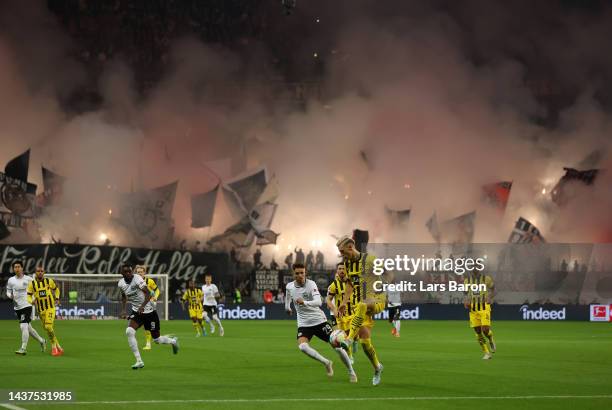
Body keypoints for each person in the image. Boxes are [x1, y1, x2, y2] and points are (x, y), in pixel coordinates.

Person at [285, 263, 357, 383]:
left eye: (302, 273)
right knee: (303, 347)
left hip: (319, 321)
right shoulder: (289, 286)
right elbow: (288, 297)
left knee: (337, 346)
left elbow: (318, 301)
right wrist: (288, 308)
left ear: (305, 273)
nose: (300, 275)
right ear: (293, 274)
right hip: (304, 323)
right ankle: (326, 362)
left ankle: (351, 371)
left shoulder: (311, 284)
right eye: (297, 273)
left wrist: (305, 303)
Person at [336, 235, 385, 386]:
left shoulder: (370, 260)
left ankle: (349, 340)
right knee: (365, 342)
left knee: (363, 304)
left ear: (350, 247)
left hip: (377, 299)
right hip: (361, 305)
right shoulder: (349, 264)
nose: (342, 255)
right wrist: (343, 303)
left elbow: (388, 274)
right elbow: (350, 284)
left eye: (343, 252)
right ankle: (377, 367)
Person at [118, 265, 178, 369]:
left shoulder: (137, 279)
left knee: (157, 339)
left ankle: (173, 341)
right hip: (137, 312)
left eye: (129, 271)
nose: (128, 273)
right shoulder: (121, 283)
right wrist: (123, 310)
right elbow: (123, 296)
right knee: (129, 331)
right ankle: (139, 361)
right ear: (122, 274)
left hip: (150, 312)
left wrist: (142, 306)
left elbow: (148, 293)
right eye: (126, 272)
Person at [7, 261, 45, 355]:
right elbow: (8, 292)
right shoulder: (11, 280)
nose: (17, 268)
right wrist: (10, 296)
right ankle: (42, 340)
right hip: (17, 307)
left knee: (23, 326)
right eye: (15, 267)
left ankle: (23, 348)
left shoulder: (29, 279)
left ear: (22, 268)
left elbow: (37, 290)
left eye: (19, 267)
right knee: (28, 328)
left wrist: (35, 299)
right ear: (13, 269)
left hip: (27, 305)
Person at [27, 265, 63, 356]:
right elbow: (28, 295)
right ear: (35, 272)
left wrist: (57, 298)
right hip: (40, 310)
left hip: (50, 308)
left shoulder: (49, 281)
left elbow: (56, 290)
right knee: (48, 329)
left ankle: (54, 347)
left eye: (41, 271)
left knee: (48, 327)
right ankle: (58, 346)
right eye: (38, 271)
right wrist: (31, 301)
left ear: (44, 272)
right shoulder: (32, 284)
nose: (40, 272)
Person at [325, 263, 356, 363]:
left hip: (353, 313)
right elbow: (328, 300)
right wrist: (334, 309)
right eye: (339, 269)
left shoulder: (352, 282)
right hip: (340, 316)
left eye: (343, 268)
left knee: (353, 335)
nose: (342, 270)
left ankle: (355, 340)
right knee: (343, 338)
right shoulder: (334, 285)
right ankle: (350, 355)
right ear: (337, 271)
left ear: (346, 270)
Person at [464, 269, 496, 359]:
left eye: (477, 266)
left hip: (484, 307)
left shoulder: (486, 279)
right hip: (473, 309)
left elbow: (493, 289)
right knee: (478, 332)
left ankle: (490, 338)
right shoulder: (467, 281)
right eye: (473, 266)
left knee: (485, 330)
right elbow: (466, 293)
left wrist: (490, 297)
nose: (475, 268)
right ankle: (486, 353)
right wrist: (466, 301)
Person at [134, 265, 161, 351]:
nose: (139, 273)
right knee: (145, 327)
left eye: (141, 272)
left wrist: (155, 298)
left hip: (151, 307)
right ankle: (148, 344)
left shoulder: (149, 281)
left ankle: (170, 340)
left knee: (155, 333)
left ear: (144, 273)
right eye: (138, 272)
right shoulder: (135, 282)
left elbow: (157, 290)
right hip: (142, 307)